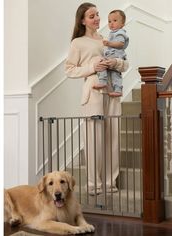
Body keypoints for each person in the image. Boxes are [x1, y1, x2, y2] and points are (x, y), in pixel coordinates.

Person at [65, 3, 128, 196]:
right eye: (92, 16)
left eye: (98, 14)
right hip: (93, 92)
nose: (97, 18)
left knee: (113, 139)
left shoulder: (109, 38)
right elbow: (69, 69)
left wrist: (115, 62)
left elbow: (125, 63)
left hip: (113, 91)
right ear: (83, 20)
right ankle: (93, 184)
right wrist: (93, 67)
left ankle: (110, 183)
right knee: (94, 140)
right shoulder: (78, 42)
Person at [93, 10, 129, 97]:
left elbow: (121, 44)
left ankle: (104, 82)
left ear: (122, 24)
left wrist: (109, 43)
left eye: (115, 21)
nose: (111, 23)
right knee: (112, 72)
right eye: (109, 21)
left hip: (116, 56)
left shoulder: (120, 33)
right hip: (111, 56)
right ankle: (115, 88)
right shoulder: (112, 33)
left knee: (114, 73)